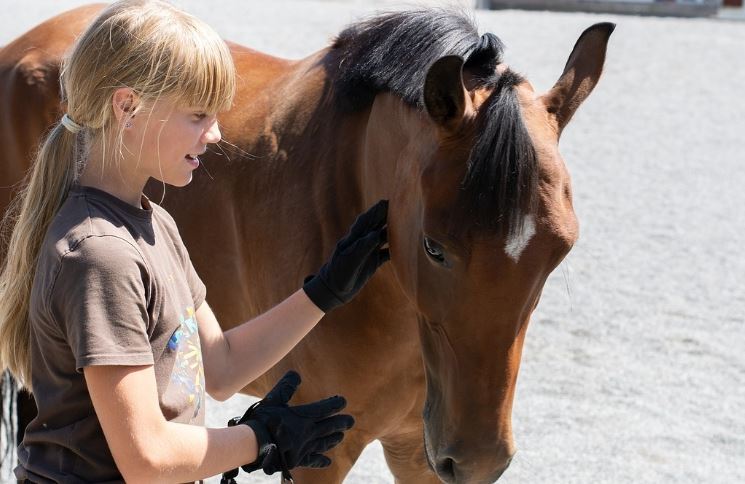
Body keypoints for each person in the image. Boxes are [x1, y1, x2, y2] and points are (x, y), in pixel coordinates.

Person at [0, 1, 389, 482]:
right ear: (128, 107)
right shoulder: (100, 255)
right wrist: (260, 438)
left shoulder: (155, 221)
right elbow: (147, 458)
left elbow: (221, 368)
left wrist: (325, 291)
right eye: (199, 114)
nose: (216, 134)